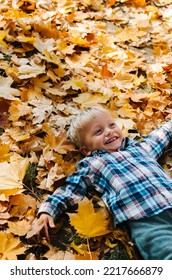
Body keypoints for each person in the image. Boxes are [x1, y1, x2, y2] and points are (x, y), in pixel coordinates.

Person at [38, 106, 172, 260]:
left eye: (112, 125)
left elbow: (162, 134)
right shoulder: (94, 164)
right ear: (85, 150)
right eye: (98, 132)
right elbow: (71, 188)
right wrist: (48, 209)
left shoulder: (140, 148)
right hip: (145, 218)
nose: (109, 131)